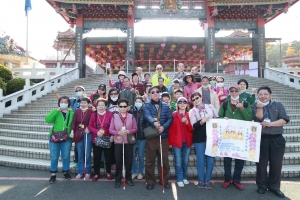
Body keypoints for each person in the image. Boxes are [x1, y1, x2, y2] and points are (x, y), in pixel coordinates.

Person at [252, 86, 290, 198]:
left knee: (276, 164)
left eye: (265, 94)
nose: (263, 96)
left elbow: (284, 119)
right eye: (260, 94)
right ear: (258, 95)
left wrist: (270, 124)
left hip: (277, 139)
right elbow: (258, 119)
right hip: (261, 139)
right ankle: (262, 185)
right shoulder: (254, 106)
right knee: (261, 164)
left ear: (270, 95)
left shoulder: (278, 105)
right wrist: (259, 108)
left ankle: (275, 187)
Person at [218, 84, 253, 191]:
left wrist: (242, 108)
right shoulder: (224, 104)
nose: (233, 93)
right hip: (228, 135)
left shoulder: (245, 103)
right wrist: (223, 118)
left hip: (240, 136)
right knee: (227, 159)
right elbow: (219, 116)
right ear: (229, 92)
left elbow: (250, 118)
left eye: (236, 91)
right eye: (231, 91)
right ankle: (227, 179)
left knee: (240, 159)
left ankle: (237, 180)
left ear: (239, 91)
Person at [143, 86, 173, 190]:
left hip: (163, 137)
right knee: (150, 161)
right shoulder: (146, 106)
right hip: (151, 138)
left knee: (164, 160)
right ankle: (150, 181)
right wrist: (154, 123)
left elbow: (170, 118)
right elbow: (147, 116)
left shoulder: (165, 106)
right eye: (153, 92)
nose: (155, 93)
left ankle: (164, 180)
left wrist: (164, 127)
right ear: (149, 95)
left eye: (157, 91)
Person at [189, 92, 218, 190]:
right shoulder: (192, 111)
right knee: (200, 160)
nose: (196, 100)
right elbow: (193, 126)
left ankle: (207, 180)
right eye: (193, 100)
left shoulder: (210, 107)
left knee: (210, 160)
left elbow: (217, 120)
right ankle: (201, 180)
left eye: (197, 98)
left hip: (211, 138)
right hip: (199, 138)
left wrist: (224, 120)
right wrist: (202, 121)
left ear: (201, 97)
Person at [53, 85, 87, 168]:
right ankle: (76, 161)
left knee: (85, 145)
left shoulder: (87, 99)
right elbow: (62, 101)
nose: (78, 91)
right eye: (76, 90)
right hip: (75, 124)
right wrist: (56, 93)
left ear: (83, 91)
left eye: (80, 90)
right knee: (77, 144)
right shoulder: (73, 100)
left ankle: (85, 161)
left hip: (85, 124)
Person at [45, 96, 74, 183]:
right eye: (62, 102)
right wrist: (56, 111)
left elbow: (74, 124)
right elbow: (47, 120)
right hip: (54, 136)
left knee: (66, 155)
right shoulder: (56, 111)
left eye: (66, 102)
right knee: (54, 156)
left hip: (67, 137)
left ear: (68, 103)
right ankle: (53, 174)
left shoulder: (71, 112)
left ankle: (66, 171)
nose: (64, 103)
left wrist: (72, 132)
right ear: (59, 103)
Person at [109, 98, 138, 188]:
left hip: (128, 142)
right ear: (118, 107)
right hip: (118, 141)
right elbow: (110, 129)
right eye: (120, 106)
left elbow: (135, 128)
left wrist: (128, 132)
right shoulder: (114, 117)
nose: (122, 108)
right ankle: (118, 179)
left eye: (124, 106)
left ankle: (129, 178)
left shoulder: (131, 116)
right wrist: (118, 132)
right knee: (118, 161)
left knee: (128, 161)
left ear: (127, 107)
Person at [169, 97, 193, 187]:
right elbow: (170, 129)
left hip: (187, 141)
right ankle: (179, 178)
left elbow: (191, 129)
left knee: (185, 161)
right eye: (180, 102)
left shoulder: (190, 114)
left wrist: (187, 122)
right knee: (178, 161)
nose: (182, 104)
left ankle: (184, 177)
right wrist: (169, 142)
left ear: (187, 104)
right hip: (176, 141)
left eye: (184, 102)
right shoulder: (174, 114)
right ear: (177, 104)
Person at [88, 98, 114, 182]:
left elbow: (113, 126)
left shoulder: (110, 114)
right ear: (96, 106)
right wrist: (96, 131)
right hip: (97, 138)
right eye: (99, 105)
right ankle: (96, 173)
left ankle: (108, 172)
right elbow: (90, 126)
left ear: (106, 106)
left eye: (103, 105)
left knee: (108, 157)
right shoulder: (93, 115)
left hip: (107, 138)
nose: (101, 107)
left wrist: (109, 133)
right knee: (97, 157)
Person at [71, 97, 93, 179]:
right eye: (82, 103)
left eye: (85, 103)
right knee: (80, 152)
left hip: (88, 133)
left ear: (88, 103)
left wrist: (89, 128)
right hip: (78, 133)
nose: (83, 104)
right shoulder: (77, 111)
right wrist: (72, 131)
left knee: (87, 153)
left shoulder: (91, 111)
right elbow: (74, 122)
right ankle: (80, 172)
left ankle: (87, 171)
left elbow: (93, 122)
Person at [130, 96, 146, 180]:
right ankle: (134, 171)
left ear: (143, 103)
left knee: (140, 156)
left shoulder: (145, 111)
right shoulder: (131, 111)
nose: (138, 103)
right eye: (137, 101)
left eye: (140, 101)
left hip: (142, 137)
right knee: (132, 155)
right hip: (132, 136)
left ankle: (140, 172)